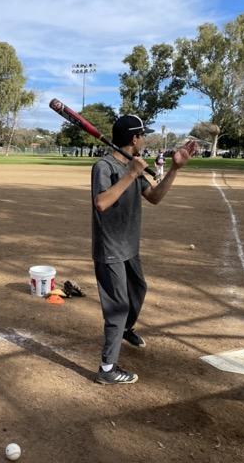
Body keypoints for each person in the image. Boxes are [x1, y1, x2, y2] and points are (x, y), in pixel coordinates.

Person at [91, 115, 197, 385]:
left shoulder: (132, 166)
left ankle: (126, 329)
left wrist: (175, 169)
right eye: (142, 135)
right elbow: (101, 203)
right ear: (134, 138)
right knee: (118, 307)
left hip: (129, 246)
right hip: (110, 249)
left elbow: (155, 197)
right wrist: (131, 175)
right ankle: (107, 369)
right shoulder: (104, 166)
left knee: (139, 290)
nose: (145, 139)